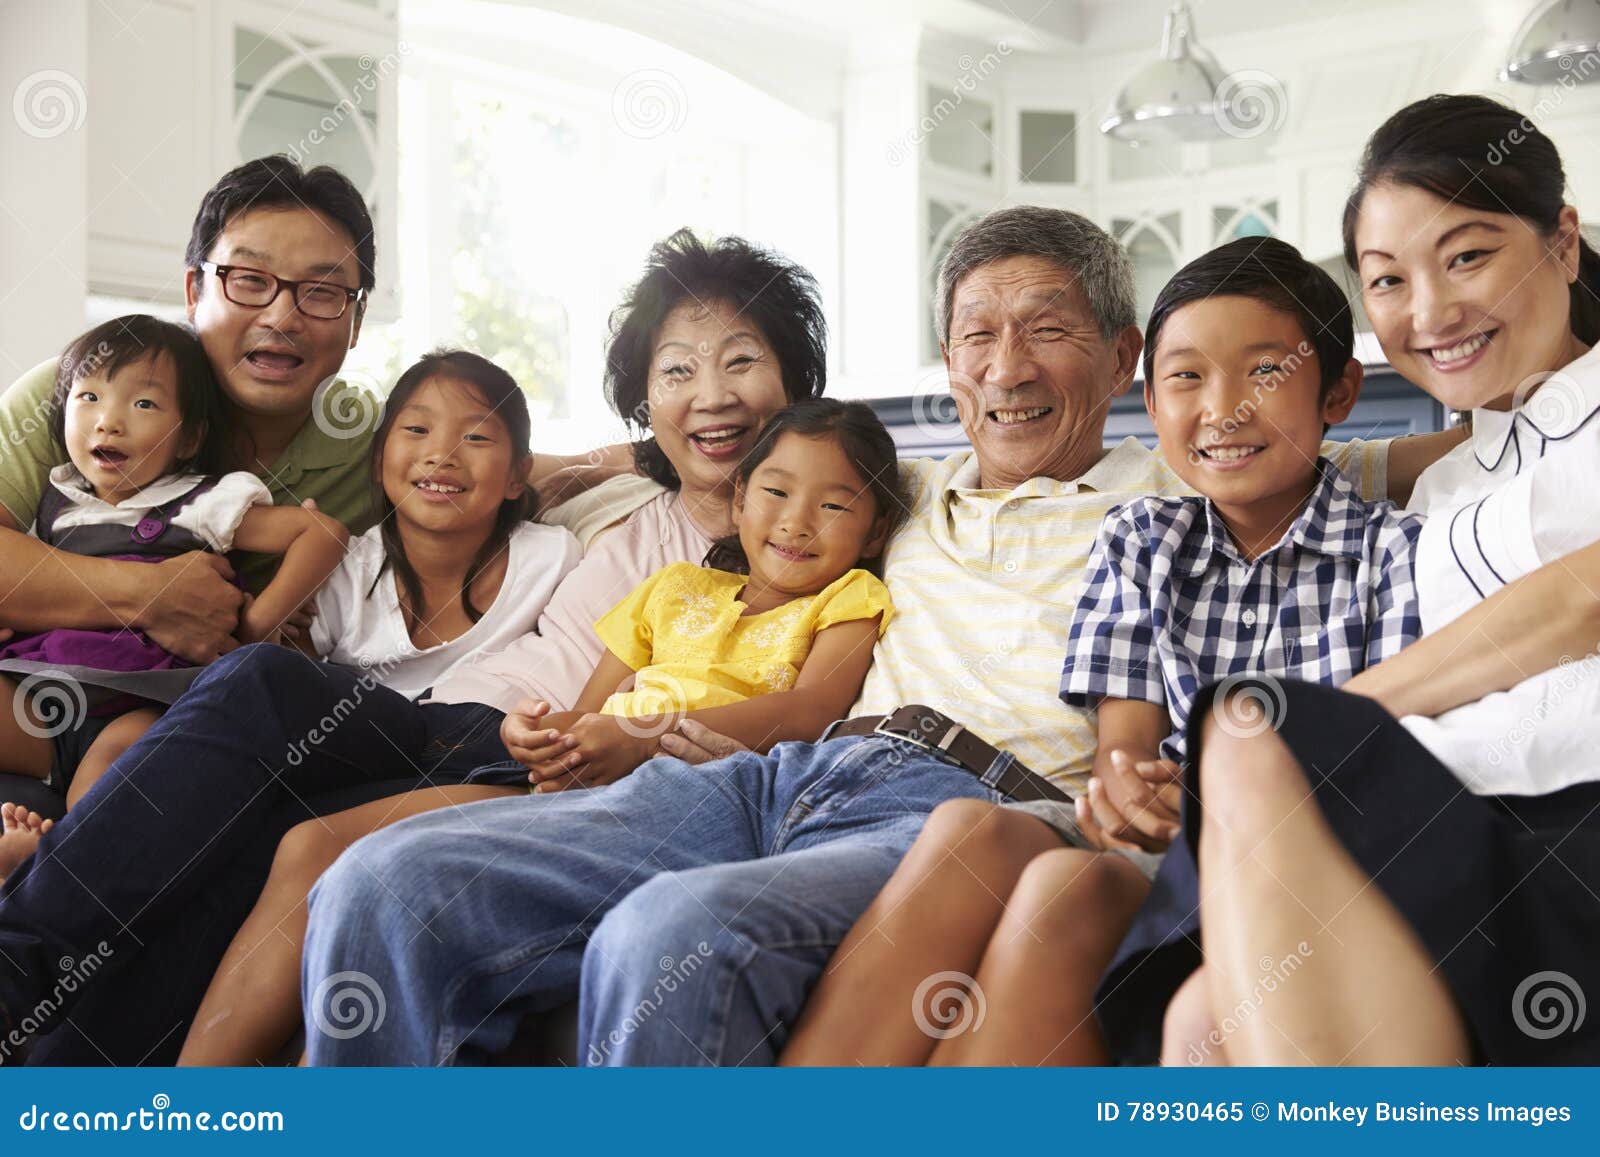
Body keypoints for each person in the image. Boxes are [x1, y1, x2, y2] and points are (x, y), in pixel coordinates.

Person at [298, 205, 1462, 1067]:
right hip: (780, 773)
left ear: (1120, 361)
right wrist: (555, 462)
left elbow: (1434, 450)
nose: (1006, 367)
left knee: (680, 933)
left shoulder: (1198, 464)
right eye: (976, 337)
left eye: (1047, 330)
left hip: (985, 802)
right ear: (946, 362)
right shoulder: (896, 482)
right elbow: (739, 441)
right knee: (388, 882)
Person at [0, 228, 830, 1065]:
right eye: (678, 371)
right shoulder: (620, 505)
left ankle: (18, 964)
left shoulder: (831, 530)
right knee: (233, 818)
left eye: (741, 362)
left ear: (796, 380)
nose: (711, 396)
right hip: (442, 730)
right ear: (647, 399)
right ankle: (61, 1079)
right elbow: (507, 460)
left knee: (265, 697)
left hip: (532, 756)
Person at [781, 237, 1427, 1064]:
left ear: (1338, 392)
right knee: (979, 835)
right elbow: (1121, 747)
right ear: (1151, 402)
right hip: (1160, 846)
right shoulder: (1140, 535)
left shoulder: (1393, 550)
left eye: (1264, 372)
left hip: (1304, 854)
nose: (1222, 409)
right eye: (1188, 378)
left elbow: (1387, 759)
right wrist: (1129, 786)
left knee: (1055, 886)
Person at [1101, 93, 1600, 1067]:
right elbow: (1272, 460)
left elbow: (1584, 595)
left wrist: (1333, 721)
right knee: (1195, 1025)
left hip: (1569, 810)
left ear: (1561, 242)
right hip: (1456, 828)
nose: (1428, 311)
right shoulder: (1448, 477)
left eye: (1466, 256)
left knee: (1244, 728)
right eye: (1385, 280)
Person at [179, 396, 900, 1065]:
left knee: (390, 874)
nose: (797, 521)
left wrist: (649, 734)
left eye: (834, 504)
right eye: (775, 491)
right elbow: (588, 710)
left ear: (873, 529)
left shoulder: (849, 597)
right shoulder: (677, 585)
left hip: (694, 790)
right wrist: (542, 735)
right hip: (583, 781)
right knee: (332, 852)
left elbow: (811, 713)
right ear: (738, 500)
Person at [0, 315, 350, 878]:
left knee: (101, 788)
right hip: (41, 690)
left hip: (144, 702)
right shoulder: (56, 503)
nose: (108, 421)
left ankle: (45, 863)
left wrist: (254, 632)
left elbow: (323, 533)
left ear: (188, 437)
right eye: (88, 397)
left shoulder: (201, 502)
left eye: (143, 405)